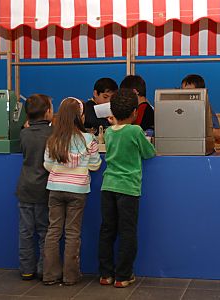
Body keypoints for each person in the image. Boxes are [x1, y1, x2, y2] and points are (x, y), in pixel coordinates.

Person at [98, 89, 156, 288]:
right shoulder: (135, 131)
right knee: (127, 232)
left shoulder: (108, 132)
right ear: (134, 112)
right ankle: (123, 276)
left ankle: (106, 274)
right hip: (128, 189)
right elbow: (149, 153)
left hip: (108, 186)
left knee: (107, 230)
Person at [43, 97, 102, 286]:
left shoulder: (53, 139)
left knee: (53, 231)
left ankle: (50, 275)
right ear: (80, 117)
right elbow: (95, 165)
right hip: (78, 190)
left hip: (55, 188)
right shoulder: (88, 139)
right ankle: (70, 276)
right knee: (72, 233)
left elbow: (47, 165)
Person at [16, 94, 54, 281]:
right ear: (48, 112)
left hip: (24, 188)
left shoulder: (23, 134)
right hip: (44, 189)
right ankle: (42, 269)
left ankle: (26, 269)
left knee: (25, 232)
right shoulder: (53, 133)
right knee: (44, 232)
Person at [181, 74, 220, 144]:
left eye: (190, 92)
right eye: (183, 91)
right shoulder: (176, 109)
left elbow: (218, 136)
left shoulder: (207, 109)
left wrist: (197, 128)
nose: (186, 95)